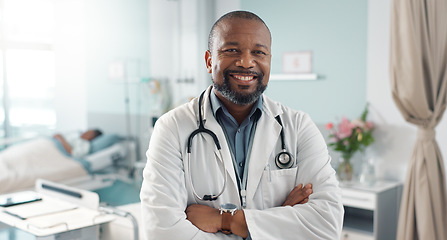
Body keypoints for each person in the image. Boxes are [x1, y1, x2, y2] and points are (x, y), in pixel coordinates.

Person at [140, 11, 344, 239]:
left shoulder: (298, 127)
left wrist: (225, 220)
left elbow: (327, 224)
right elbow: (162, 231)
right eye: (231, 50)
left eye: (258, 52)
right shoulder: (173, 128)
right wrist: (282, 218)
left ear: (268, 61)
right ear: (209, 61)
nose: (246, 62)